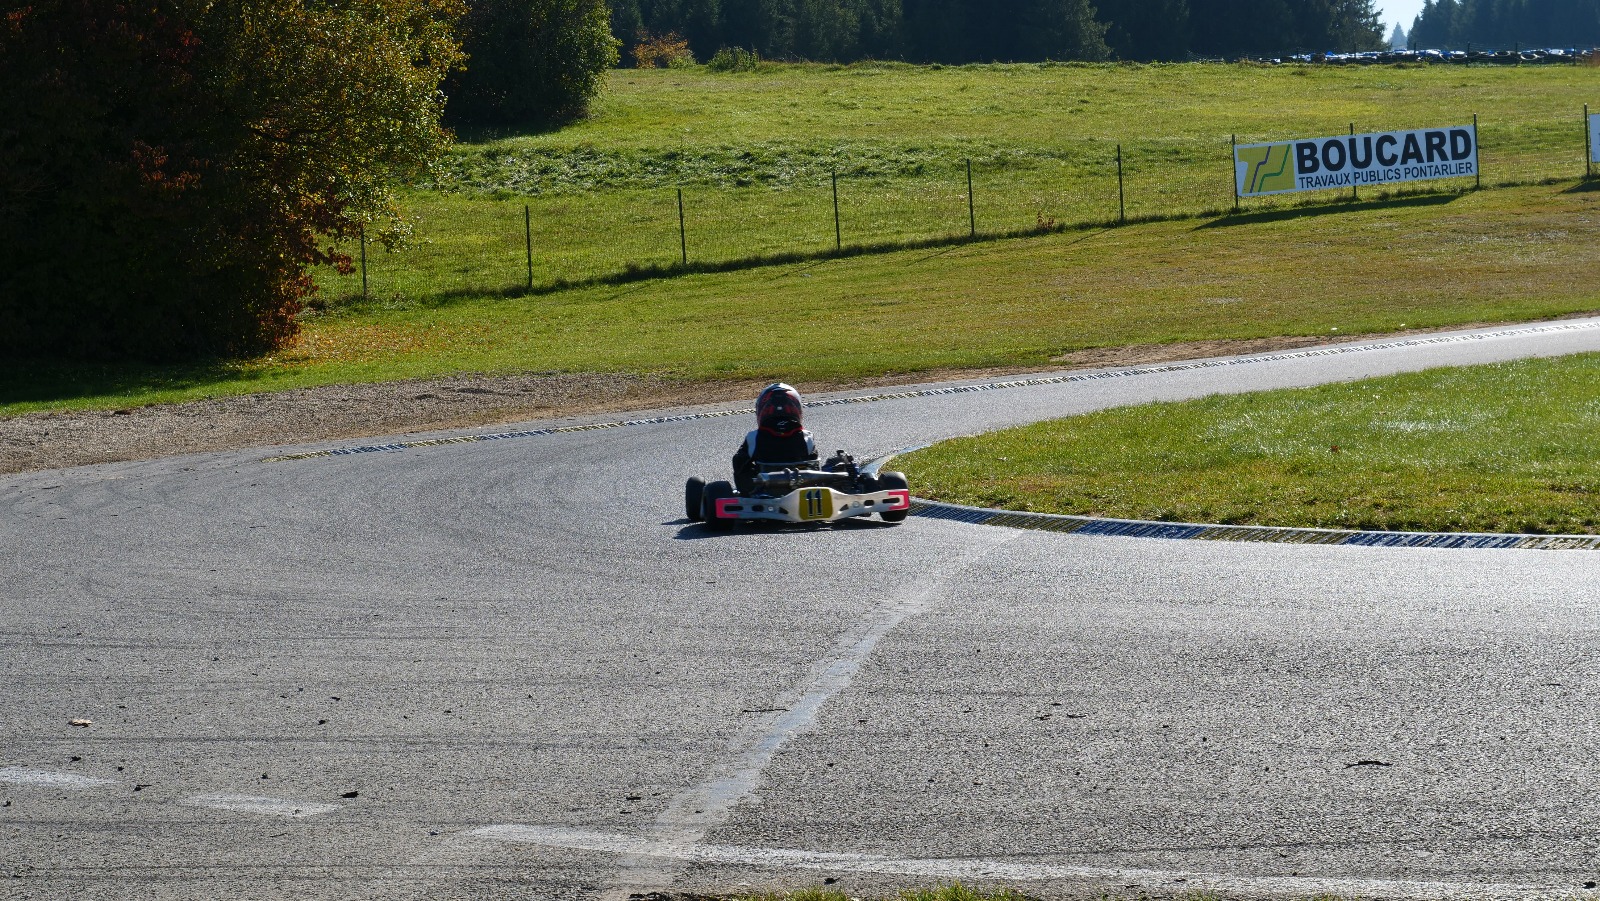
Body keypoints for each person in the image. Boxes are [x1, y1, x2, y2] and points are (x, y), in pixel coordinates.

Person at [732, 383, 825, 495]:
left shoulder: (754, 437)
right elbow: (814, 468)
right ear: (796, 410)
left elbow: (739, 465)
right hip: (802, 492)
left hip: (765, 494)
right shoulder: (807, 437)